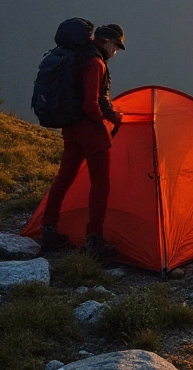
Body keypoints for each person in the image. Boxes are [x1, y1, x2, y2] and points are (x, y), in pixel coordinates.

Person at [40, 23, 126, 259]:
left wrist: (110, 114)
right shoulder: (95, 63)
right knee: (100, 184)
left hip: (71, 127)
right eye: (116, 47)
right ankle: (95, 241)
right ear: (107, 42)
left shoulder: (78, 57)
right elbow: (91, 103)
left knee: (64, 177)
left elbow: (97, 98)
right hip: (89, 130)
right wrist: (103, 123)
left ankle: (48, 230)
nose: (115, 52)